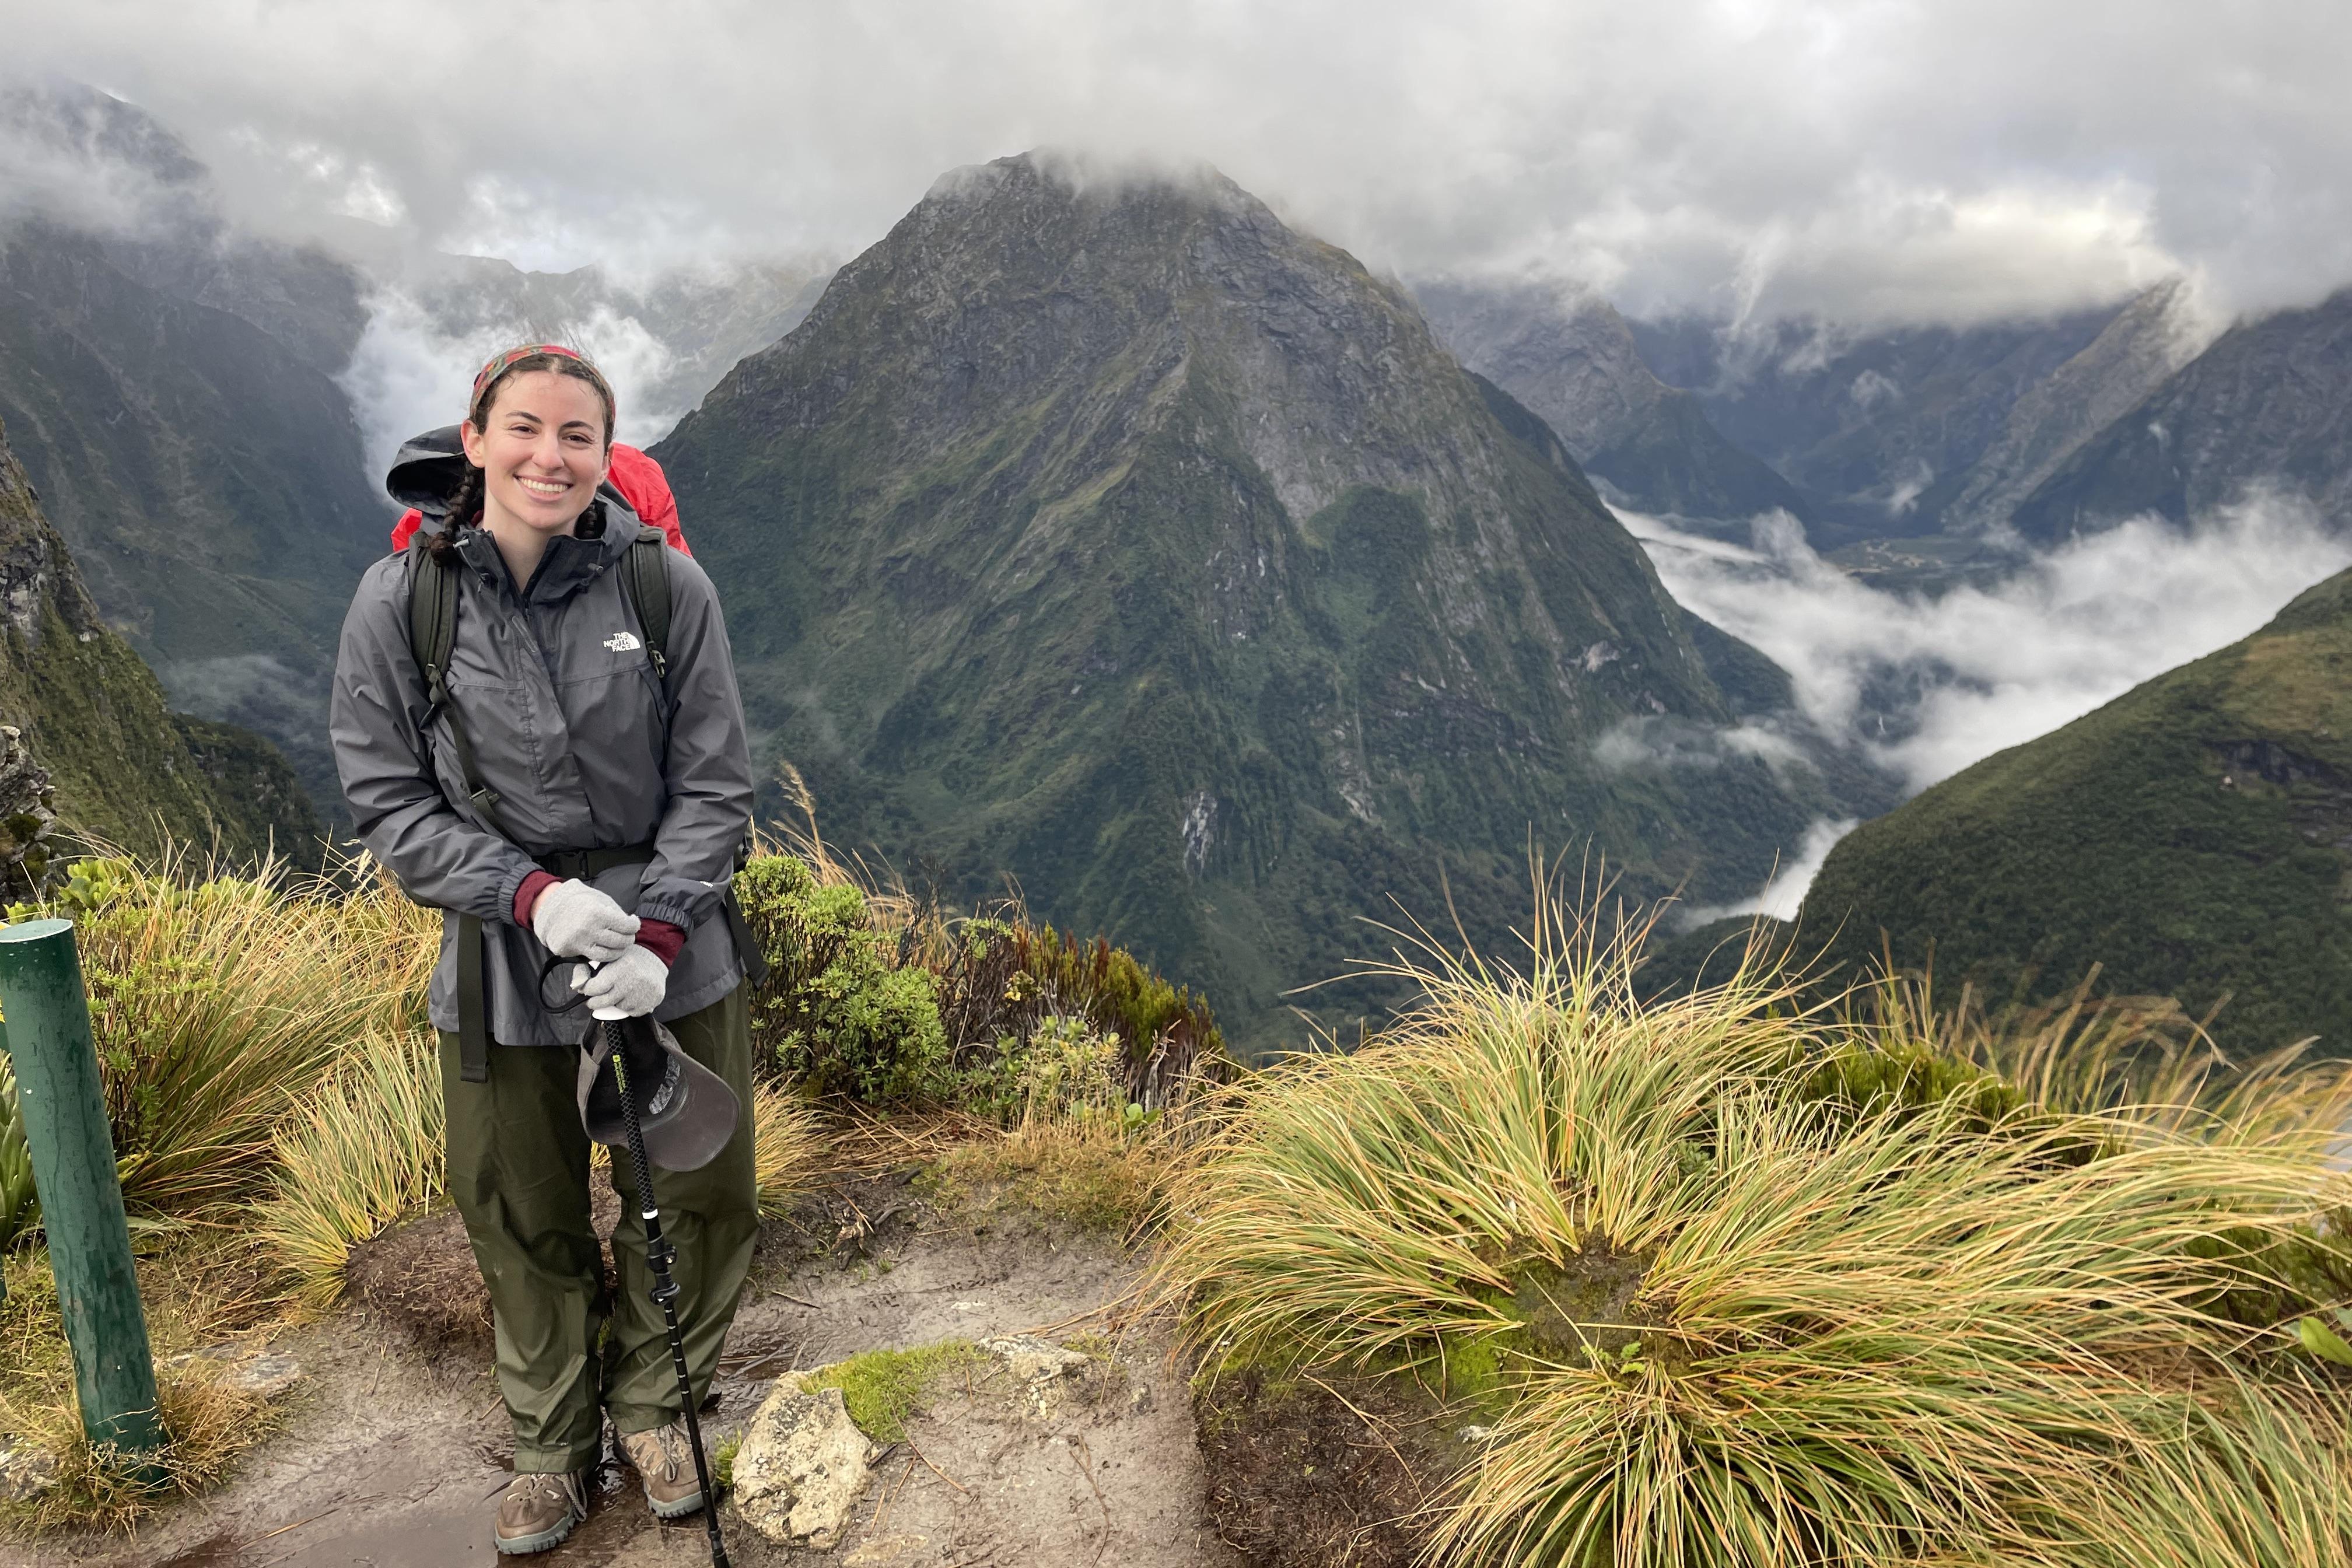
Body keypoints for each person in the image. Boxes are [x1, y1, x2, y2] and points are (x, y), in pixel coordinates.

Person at [330, 344, 759, 1555]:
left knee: (697, 1184)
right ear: (472, 440)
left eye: (577, 436)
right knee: (519, 1200)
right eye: (523, 429)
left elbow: (716, 780)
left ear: (607, 454)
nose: (548, 457)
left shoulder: (664, 587)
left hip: (668, 943)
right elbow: (391, 801)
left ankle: (658, 1402)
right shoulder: (401, 601)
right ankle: (552, 1440)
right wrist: (528, 898)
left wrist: (661, 932)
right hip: (504, 956)